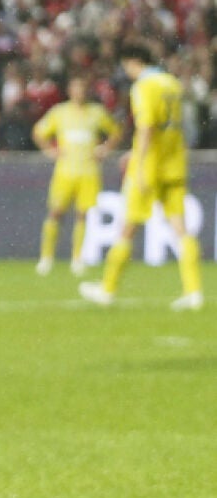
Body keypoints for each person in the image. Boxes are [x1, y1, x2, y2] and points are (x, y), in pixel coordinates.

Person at [81, 46, 203, 310]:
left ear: (134, 61)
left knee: (128, 227)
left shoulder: (144, 86)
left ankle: (108, 289)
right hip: (174, 164)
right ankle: (193, 291)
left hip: (149, 167)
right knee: (180, 228)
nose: (127, 72)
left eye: (126, 66)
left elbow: (147, 126)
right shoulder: (172, 84)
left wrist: (139, 162)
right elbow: (172, 126)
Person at [32, 75, 118, 277]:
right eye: (76, 88)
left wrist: (105, 149)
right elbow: (38, 132)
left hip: (89, 171)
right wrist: (50, 150)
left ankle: (77, 259)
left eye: (82, 88)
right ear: (70, 91)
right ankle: (46, 258)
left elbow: (115, 132)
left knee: (82, 215)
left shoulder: (97, 112)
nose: (79, 92)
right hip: (65, 171)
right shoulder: (60, 112)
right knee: (55, 213)